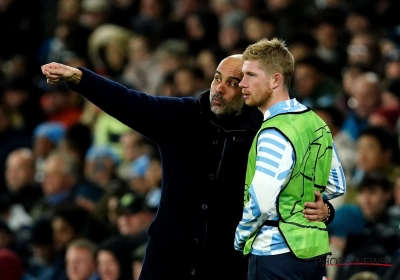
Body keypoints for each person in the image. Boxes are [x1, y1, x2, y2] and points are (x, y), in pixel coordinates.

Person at [41, 54, 333, 280]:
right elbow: (129, 103)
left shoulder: (271, 133)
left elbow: (308, 191)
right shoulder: (183, 116)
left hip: (228, 267)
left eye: (232, 83)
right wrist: (80, 78)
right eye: (217, 78)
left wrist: (327, 211)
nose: (219, 88)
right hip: (167, 263)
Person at [234, 38, 346, 279]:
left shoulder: (274, 132)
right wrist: (324, 211)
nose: (242, 83)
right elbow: (337, 185)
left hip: (273, 254)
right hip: (313, 253)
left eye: (251, 75)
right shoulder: (316, 122)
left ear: (276, 80)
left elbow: (261, 204)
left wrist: (239, 237)